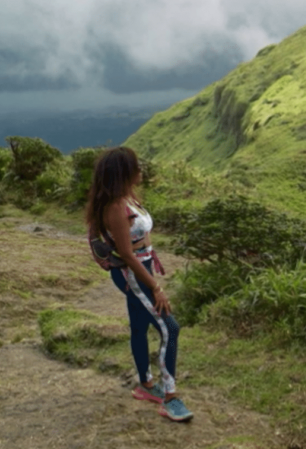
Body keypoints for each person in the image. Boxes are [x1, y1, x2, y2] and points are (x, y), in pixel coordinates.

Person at [85, 147, 193, 422]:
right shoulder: (116, 209)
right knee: (170, 328)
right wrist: (155, 287)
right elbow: (128, 255)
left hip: (140, 268)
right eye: (136, 167)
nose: (141, 171)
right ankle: (169, 396)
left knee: (140, 326)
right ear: (125, 173)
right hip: (132, 273)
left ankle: (145, 384)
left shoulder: (126, 199)